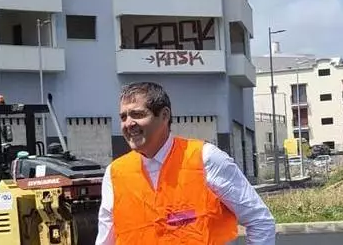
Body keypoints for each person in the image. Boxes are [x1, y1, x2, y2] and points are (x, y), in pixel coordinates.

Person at [96, 81, 276, 245]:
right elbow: (106, 240)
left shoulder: (205, 158)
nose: (128, 124)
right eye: (123, 117)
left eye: (137, 114)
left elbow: (259, 220)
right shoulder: (115, 173)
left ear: (164, 115)